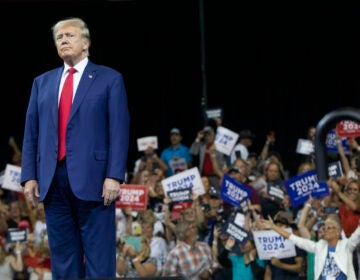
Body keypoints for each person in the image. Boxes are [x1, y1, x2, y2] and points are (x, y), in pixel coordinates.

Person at [20, 17, 130, 279]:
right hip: (52, 180)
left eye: (70, 35)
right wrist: (29, 176)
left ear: (86, 43)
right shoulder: (42, 83)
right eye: (59, 38)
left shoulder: (109, 79)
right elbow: (31, 132)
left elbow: (119, 130)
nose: (64, 40)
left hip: (95, 181)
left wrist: (114, 175)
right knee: (63, 258)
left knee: (99, 258)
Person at [261, 215, 360, 280]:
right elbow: (295, 239)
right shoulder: (319, 246)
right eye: (324, 228)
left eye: (329, 228)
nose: (325, 230)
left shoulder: (346, 245)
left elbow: (357, 235)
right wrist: (274, 227)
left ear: (338, 232)